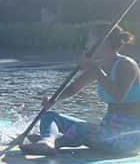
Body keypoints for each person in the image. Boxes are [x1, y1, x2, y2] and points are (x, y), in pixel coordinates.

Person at [21, 25, 140, 156]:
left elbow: (118, 95)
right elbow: (73, 88)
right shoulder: (99, 67)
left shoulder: (127, 65)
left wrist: (94, 69)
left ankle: (54, 142)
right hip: (107, 132)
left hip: (128, 139)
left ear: (104, 42)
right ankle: (48, 140)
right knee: (50, 115)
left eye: (90, 41)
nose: (86, 45)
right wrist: (53, 99)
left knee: (82, 128)